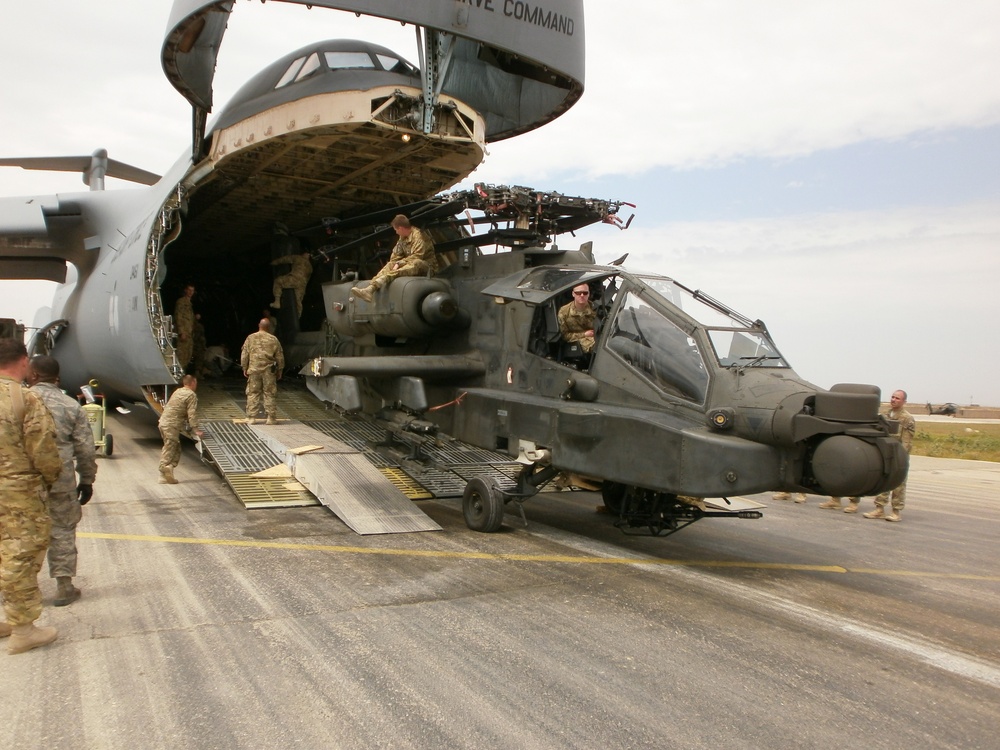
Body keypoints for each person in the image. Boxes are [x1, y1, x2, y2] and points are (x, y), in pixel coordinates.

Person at [0, 338, 62, 654]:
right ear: (24, 362)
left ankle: (6, 619)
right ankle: (23, 631)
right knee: (20, 556)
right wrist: (50, 480)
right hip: (18, 494)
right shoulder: (24, 399)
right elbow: (44, 452)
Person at [27, 356, 98, 607]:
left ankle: (20, 589)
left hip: (23, 482)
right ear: (57, 377)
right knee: (63, 530)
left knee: (21, 532)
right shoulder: (71, 406)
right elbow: (86, 449)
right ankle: (64, 587)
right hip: (60, 480)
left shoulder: (19, 402)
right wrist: (87, 480)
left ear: (33, 375)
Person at [351, 215, 436, 302]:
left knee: (416, 262)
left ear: (401, 228)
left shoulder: (419, 236)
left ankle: (385, 278)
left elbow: (417, 256)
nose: (396, 232)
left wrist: (399, 263)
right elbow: (396, 256)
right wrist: (393, 265)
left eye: (396, 230)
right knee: (391, 264)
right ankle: (370, 289)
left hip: (426, 267)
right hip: (409, 263)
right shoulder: (402, 238)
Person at [863, 389, 915, 522]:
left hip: (898, 455)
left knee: (898, 483)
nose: (893, 400)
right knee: (883, 481)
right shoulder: (885, 415)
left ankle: (896, 511)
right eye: (893, 397)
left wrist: (901, 457)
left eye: (897, 398)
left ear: (904, 401)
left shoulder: (907, 418)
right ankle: (879, 509)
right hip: (885, 453)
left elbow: (907, 441)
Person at [158, 375, 203, 484]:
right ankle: (164, 470)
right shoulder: (191, 395)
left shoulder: (178, 391)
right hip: (172, 425)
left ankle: (166, 474)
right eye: (196, 383)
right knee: (170, 448)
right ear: (193, 383)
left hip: (163, 422)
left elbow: (179, 408)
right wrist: (196, 429)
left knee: (175, 448)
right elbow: (191, 413)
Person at [241, 319, 284, 425]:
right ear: (268, 327)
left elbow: (245, 354)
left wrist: (244, 367)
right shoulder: (273, 339)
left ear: (259, 325)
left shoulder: (250, 338)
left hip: (254, 370)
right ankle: (271, 418)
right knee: (269, 393)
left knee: (253, 393)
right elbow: (279, 357)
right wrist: (280, 370)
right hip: (269, 371)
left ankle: (252, 418)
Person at [270, 250, 313, 317]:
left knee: (278, 281)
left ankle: (277, 301)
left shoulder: (298, 258)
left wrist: (275, 262)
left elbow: (285, 259)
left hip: (294, 279)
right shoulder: (310, 267)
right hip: (302, 285)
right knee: (298, 302)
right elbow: (308, 279)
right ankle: (298, 317)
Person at [558, 283, 598, 353]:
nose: (582, 295)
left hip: (597, 338)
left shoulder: (596, 309)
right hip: (577, 341)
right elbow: (565, 336)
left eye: (585, 293)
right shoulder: (564, 312)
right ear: (573, 294)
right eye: (578, 293)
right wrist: (584, 334)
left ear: (588, 294)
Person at [174, 284, 196, 370]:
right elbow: (178, 316)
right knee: (181, 355)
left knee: (188, 355)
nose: (190, 292)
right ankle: (178, 374)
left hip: (189, 333)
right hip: (184, 333)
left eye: (192, 290)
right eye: (189, 290)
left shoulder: (189, 303)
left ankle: (182, 373)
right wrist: (181, 331)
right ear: (185, 290)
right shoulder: (181, 302)